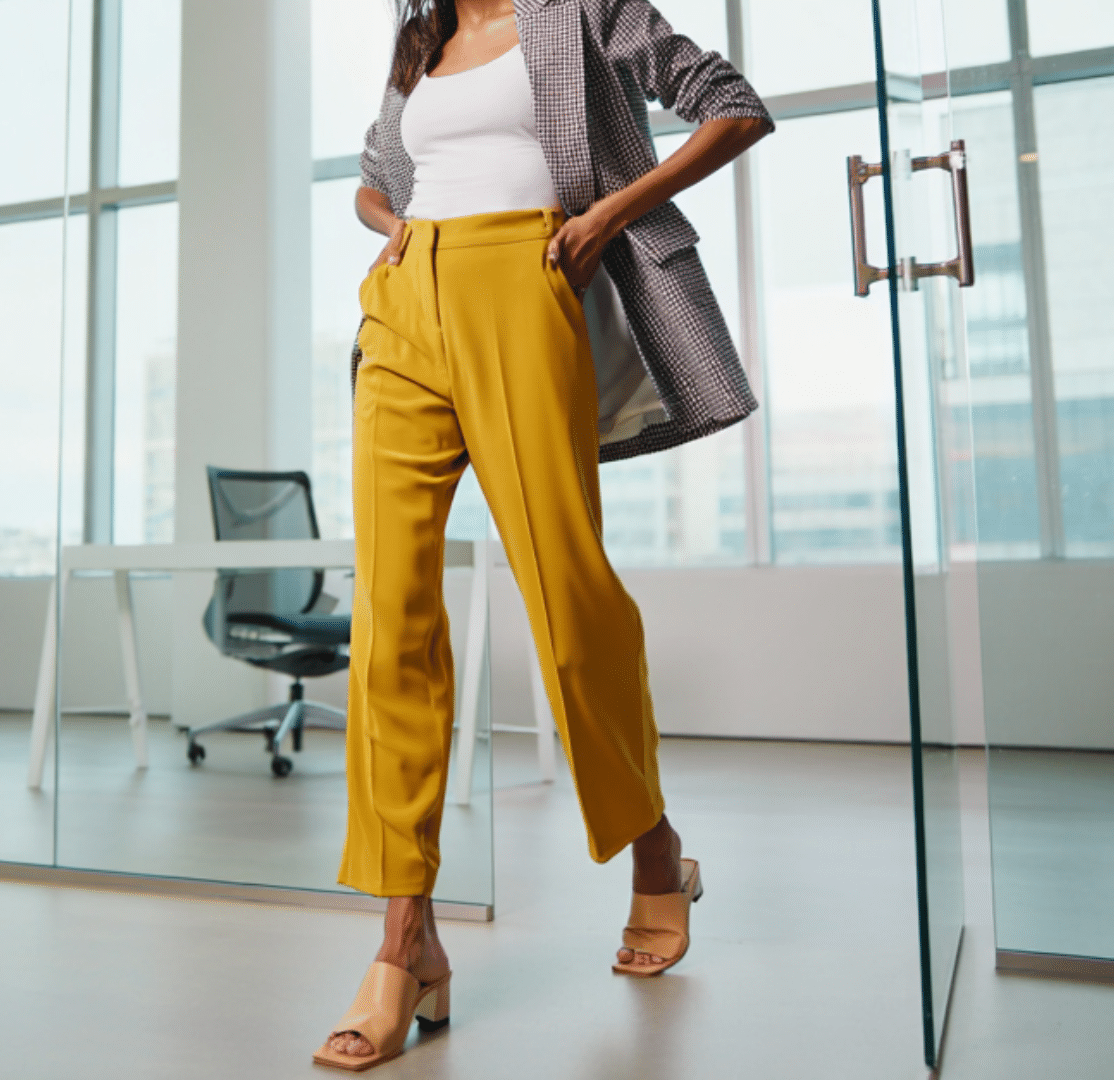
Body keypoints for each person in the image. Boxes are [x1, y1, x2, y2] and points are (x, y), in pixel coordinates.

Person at [314, 0, 773, 1070]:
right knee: (389, 622)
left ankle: (654, 846)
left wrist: (611, 213)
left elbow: (733, 106)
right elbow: (375, 180)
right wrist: (393, 236)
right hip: (403, 312)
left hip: (527, 282)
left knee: (566, 595)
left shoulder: (581, 11)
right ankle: (404, 938)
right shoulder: (420, 43)